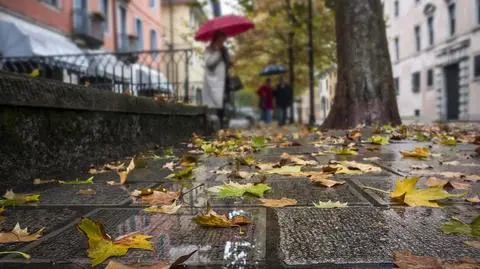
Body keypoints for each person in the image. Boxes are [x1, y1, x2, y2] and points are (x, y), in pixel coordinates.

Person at [202, 31, 232, 129]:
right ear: (216, 38)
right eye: (221, 39)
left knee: (223, 104)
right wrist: (218, 52)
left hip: (224, 81)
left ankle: (223, 126)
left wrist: (229, 59)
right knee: (214, 105)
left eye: (224, 39)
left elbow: (228, 65)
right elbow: (209, 64)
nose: (222, 41)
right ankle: (215, 127)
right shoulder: (209, 50)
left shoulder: (224, 50)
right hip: (213, 82)